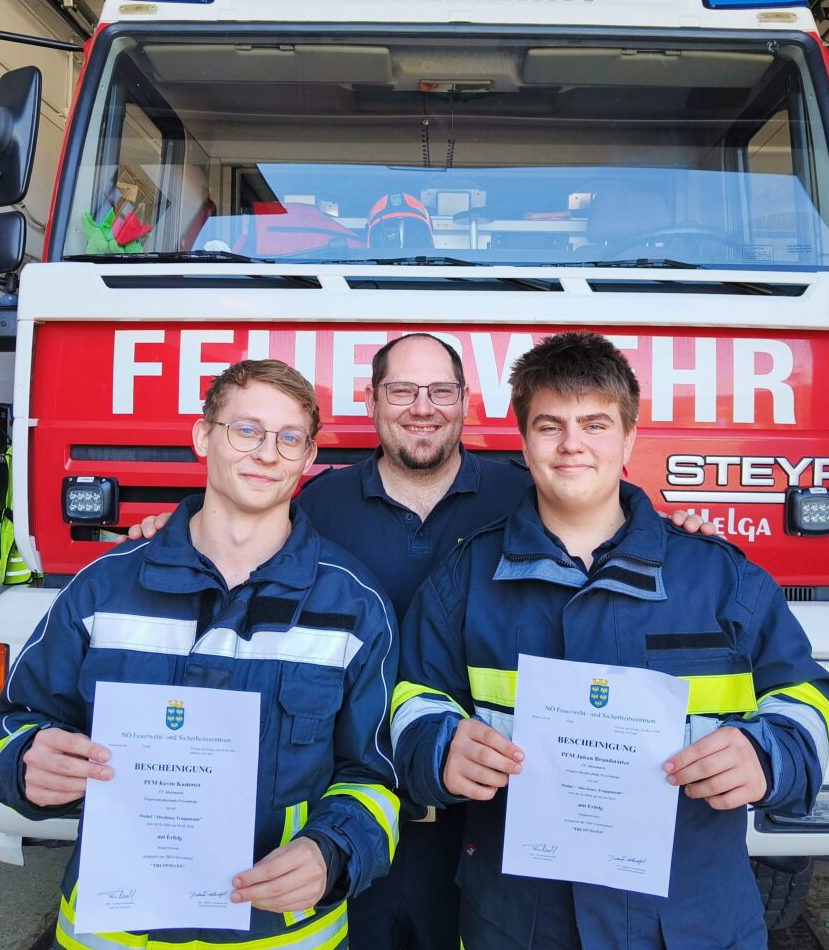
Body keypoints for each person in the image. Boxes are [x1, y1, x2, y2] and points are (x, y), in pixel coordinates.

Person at [125, 332, 718, 950]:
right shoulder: (318, 502)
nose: (422, 406)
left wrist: (679, 535)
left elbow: (600, 521)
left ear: (466, 401)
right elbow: (238, 534)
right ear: (373, 400)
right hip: (345, 809)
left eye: (440, 390)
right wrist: (173, 531)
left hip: (483, 818)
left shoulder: (524, 492)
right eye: (402, 390)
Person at [392, 331, 829, 950]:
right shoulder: (464, 581)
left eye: (595, 424)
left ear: (629, 439)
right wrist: (439, 746)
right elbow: (411, 701)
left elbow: (807, 694)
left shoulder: (719, 577)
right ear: (523, 443)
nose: (572, 443)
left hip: (692, 918)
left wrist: (769, 757)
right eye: (550, 426)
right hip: (518, 921)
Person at [0, 359, 400, 950]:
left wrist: (330, 850)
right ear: (203, 435)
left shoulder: (354, 608)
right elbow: (21, 719)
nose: (266, 453)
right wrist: (26, 762)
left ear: (309, 460)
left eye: (289, 439)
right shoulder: (103, 588)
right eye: (247, 430)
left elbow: (375, 777)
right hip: (112, 932)